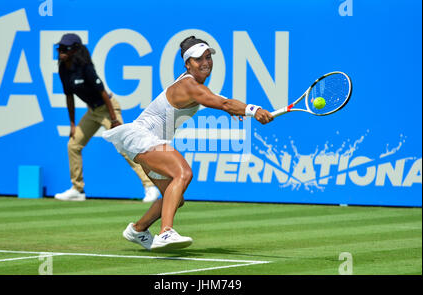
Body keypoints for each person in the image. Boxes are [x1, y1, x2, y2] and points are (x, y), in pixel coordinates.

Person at [103, 36, 274, 251]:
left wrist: (237, 109)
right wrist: (253, 110)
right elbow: (223, 102)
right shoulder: (188, 85)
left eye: (207, 57)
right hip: (142, 137)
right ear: (187, 64)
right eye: (197, 59)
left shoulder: (194, 85)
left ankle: (138, 230)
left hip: (146, 142)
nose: (205, 62)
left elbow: (222, 101)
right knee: (183, 173)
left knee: (175, 198)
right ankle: (165, 233)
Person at [54, 33, 159, 203]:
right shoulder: (63, 69)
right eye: (59, 48)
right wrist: (72, 124)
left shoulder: (85, 67)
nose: (61, 51)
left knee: (126, 148)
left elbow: (103, 93)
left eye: (65, 48)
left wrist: (113, 119)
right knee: (73, 145)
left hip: (108, 108)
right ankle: (77, 189)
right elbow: (69, 97)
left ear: (74, 50)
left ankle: (150, 187)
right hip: (92, 112)